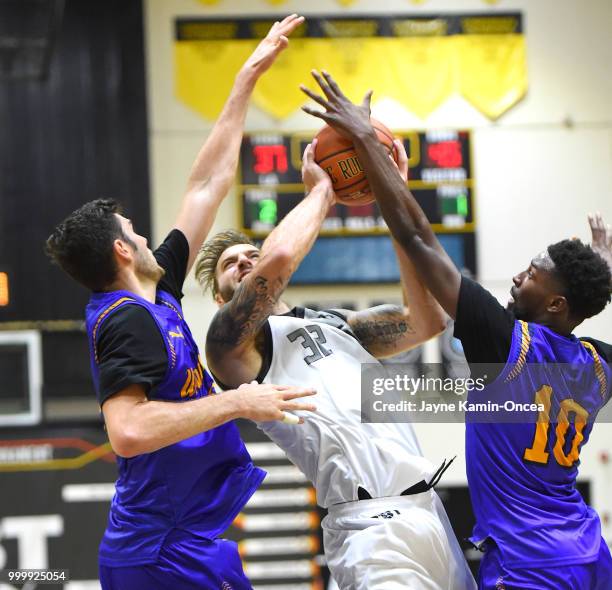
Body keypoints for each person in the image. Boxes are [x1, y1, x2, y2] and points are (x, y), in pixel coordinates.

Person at [300, 69, 612, 589]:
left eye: (532, 275)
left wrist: (365, 144)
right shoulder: (600, 365)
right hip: (588, 553)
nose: (517, 276)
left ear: (557, 301)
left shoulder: (504, 338)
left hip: (528, 562)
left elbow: (417, 238)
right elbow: (580, 311)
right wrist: (598, 277)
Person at [44, 16, 316, 590]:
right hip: (159, 551)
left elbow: (206, 185)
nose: (147, 236)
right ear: (123, 250)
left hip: (178, 541)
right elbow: (129, 432)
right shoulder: (127, 322)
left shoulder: (156, 287)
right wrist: (236, 402)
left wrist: (246, 79)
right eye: (134, 231)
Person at [196, 142, 477, 589]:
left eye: (250, 254)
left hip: (430, 513)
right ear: (219, 298)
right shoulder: (232, 346)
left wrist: (392, 196)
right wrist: (323, 191)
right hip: (368, 526)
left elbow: (427, 322)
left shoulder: (334, 323)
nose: (246, 262)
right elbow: (279, 262)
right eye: (232, 265)